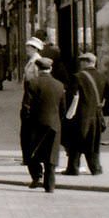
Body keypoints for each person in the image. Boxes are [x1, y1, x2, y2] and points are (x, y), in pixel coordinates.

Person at [63, 52, 109, 176]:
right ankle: (95, 168)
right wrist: (107, 111)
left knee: (75, 141)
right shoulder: (102, 76)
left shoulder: (77, 77)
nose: (80, 63)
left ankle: (73, 168)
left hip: (80, 115)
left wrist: (67, 113)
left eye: (82, 61)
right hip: (96, 115)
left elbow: (72, 96)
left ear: (86, 62)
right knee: (94, 142)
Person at [21, 56, 66, 192]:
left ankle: (36, 177)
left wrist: (25, 121)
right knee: (51, 153)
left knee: (31, 150)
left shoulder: (32, 83)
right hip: (53, 123)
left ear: (38, 69)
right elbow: (63, 108)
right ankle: (50, 184)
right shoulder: (59, 85)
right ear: (50, 68)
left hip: (35, 124)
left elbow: (26, 106)